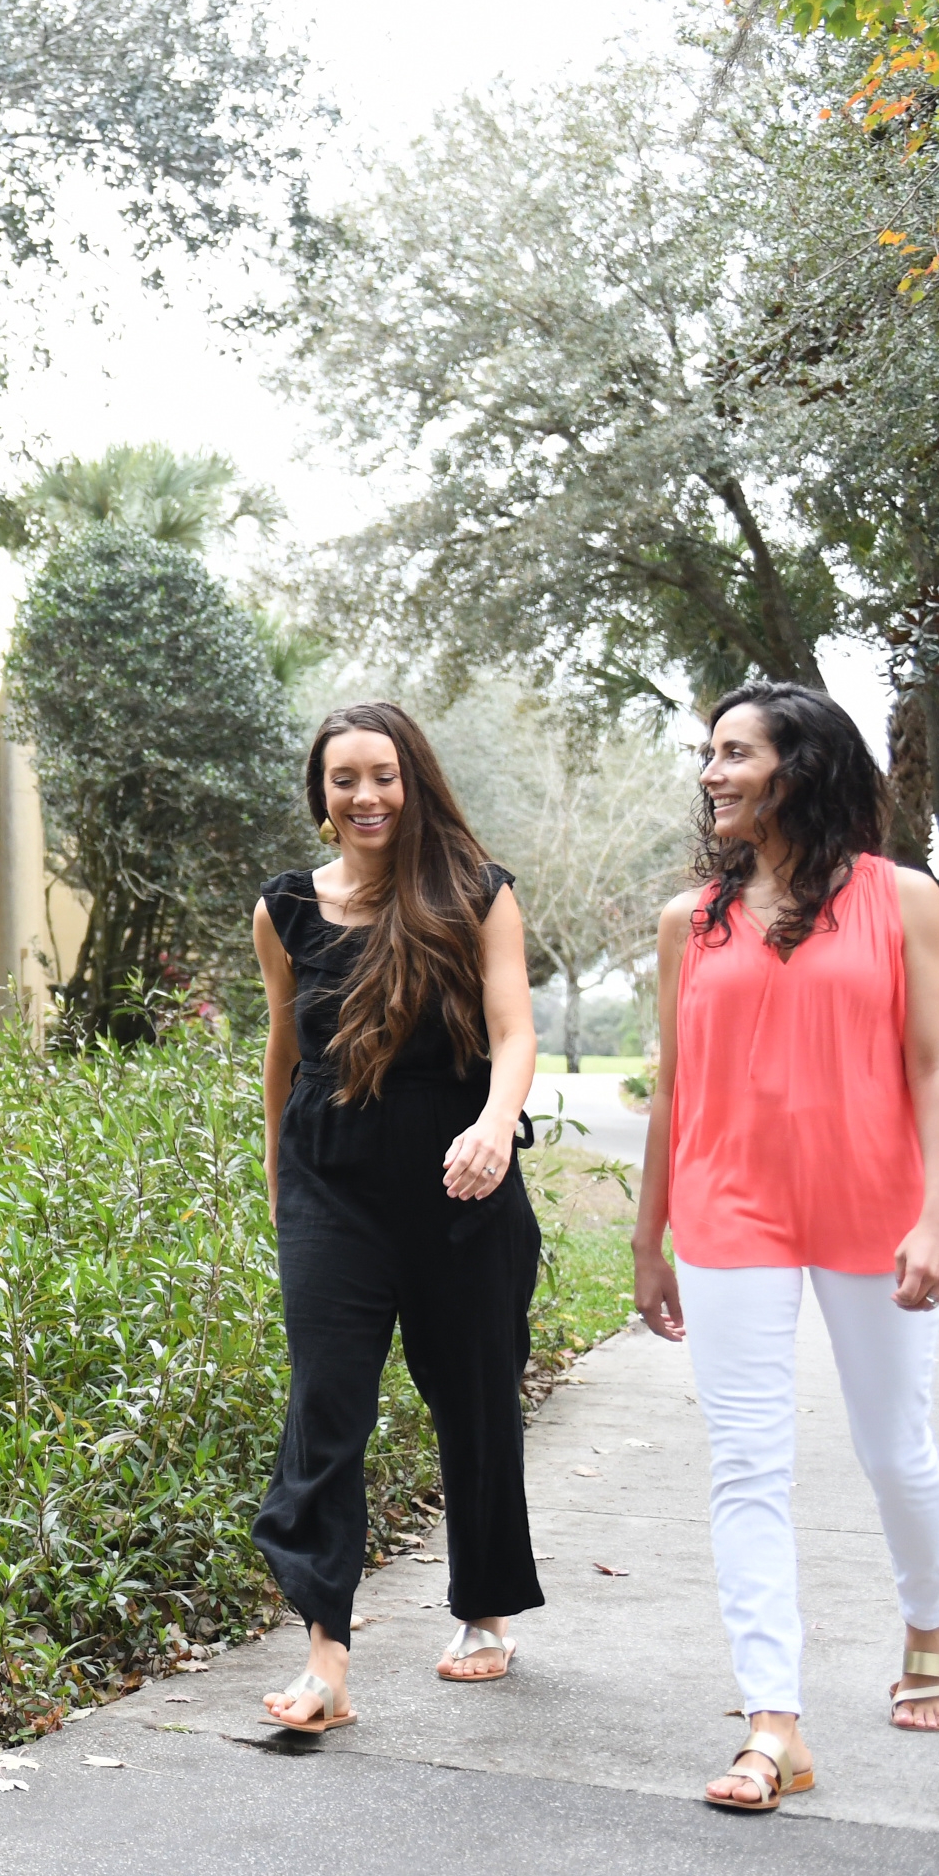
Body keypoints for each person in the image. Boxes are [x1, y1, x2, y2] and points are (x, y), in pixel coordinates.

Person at [628, 681, 939, 1814]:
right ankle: (774, 1721)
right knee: (746, 1463)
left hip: (874, 1205)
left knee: (893, 1448)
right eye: (709, 755)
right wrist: (647, 1238)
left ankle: (927, 1622)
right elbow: (674, 1090)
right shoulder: (694, 921)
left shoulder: (903, 899)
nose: (712, 773)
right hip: (732, 1210)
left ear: (801, 766)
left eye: (735, 753)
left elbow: (934, 1066)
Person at [248, 701, 548, 1734]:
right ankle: (326, 1655)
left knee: (474, 1399)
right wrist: (279, 1183)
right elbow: (284, 1060)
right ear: (321, 796)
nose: (365, 795)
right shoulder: (285, 907)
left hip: (460, 1181)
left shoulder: (475, 895)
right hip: (332, 1184)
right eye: (344, 779)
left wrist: (496, 1125)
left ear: (413, 781)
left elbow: (514, 1032)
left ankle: (485, 1610)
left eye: (383, 774)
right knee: (325, 1406)